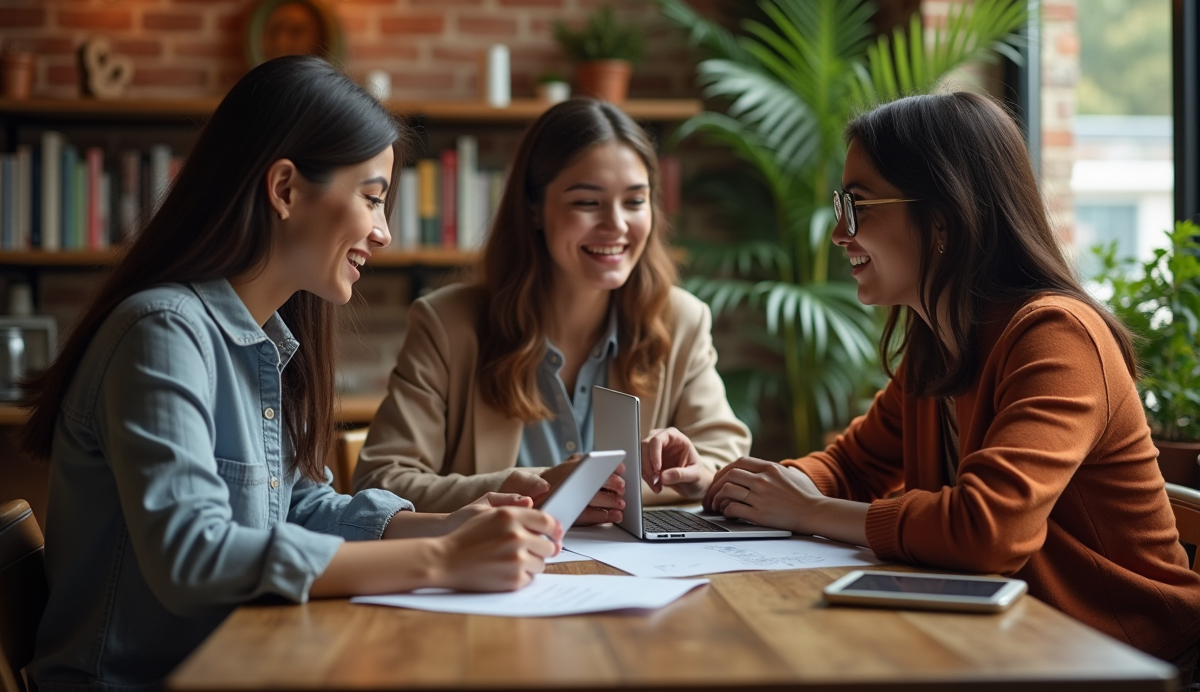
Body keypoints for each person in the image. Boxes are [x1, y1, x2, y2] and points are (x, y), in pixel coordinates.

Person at [20, 56, 560, 692]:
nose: (383, 232)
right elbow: (191, 555)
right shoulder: (161, 331)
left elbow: (298, 504)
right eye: (372, 198)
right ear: (284, 189)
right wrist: (441, 559)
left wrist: (444, 524)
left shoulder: (269, 342)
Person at [704, 91, 1200, 678]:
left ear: (942, 218)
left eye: (858, 205)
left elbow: (988, 529)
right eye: (842, 204)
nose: (839, 232)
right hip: (1002, 640)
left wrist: (809, 511)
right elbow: (852, 467)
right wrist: (749, 488)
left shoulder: (1057, 336)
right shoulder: (939, 341)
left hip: (1123, 656)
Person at [353, 98, 751, 523]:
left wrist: (695, 473)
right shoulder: (447, 324)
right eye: (587, 202)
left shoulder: (681, 320)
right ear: (534, 208)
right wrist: (541, 486)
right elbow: (381, 481)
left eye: (635, 202)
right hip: (494, 572)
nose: (616, 225)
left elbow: (723, 459)